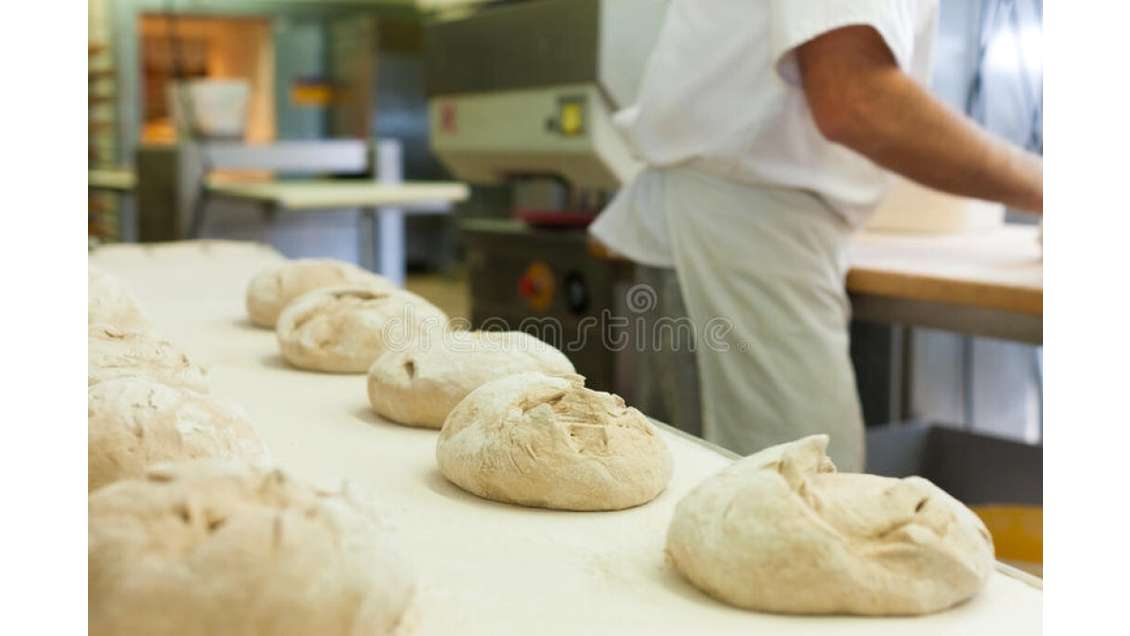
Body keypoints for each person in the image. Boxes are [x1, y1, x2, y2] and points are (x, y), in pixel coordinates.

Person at [590, 0, 1043, 470]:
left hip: (738, 225)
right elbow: (854, 98)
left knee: (733, 502)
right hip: (745, 235)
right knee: (800, 508)